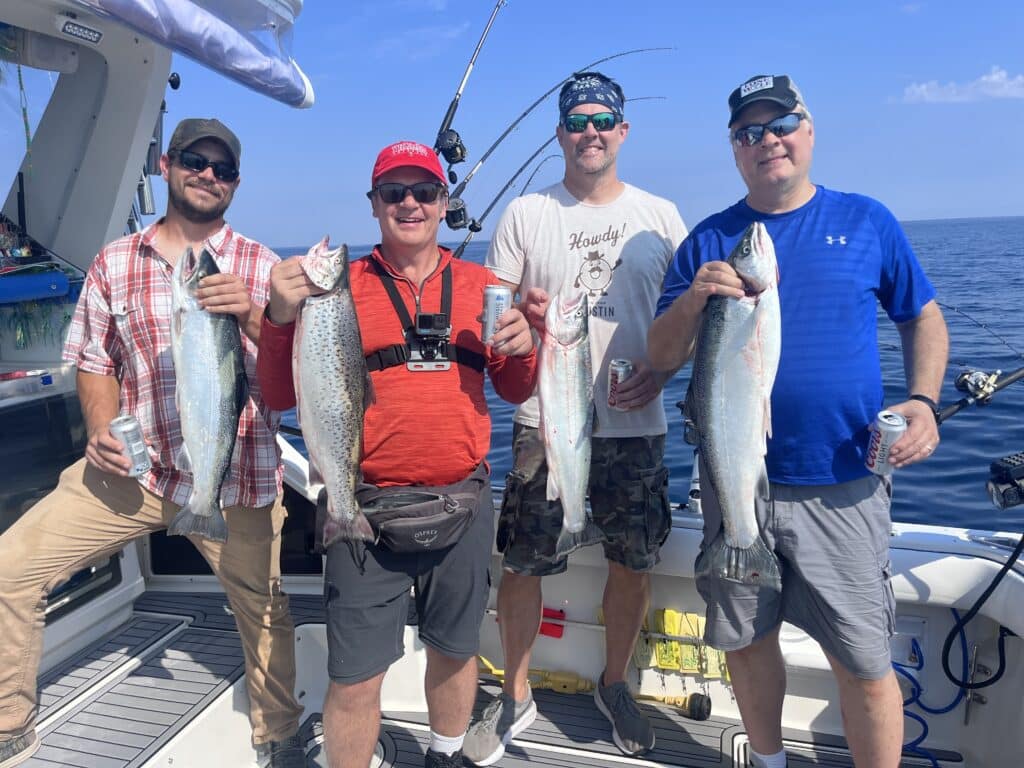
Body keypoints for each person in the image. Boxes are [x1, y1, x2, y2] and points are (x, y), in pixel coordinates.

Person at [647, 74, 950, 768]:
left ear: (808, 132)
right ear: (734, 150)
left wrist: (925, 400)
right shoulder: (708, 241)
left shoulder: (866, 220)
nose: (767, 142)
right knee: (747, 641)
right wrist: (694, 299)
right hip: (732, 479)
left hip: (842, 482)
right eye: (749, 133)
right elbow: (659, 356)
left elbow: (922, 316)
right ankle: (769, 758)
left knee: (865, 659)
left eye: (780, 125)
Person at [0, 118, 306, 768]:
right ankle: (9, 723)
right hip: (135, 468)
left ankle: (278, 732)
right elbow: (92, 358)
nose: (208, 175)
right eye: (196, 160)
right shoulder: (116, 262)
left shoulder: (262, 266)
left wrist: (253, 314)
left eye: (223, 169)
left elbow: (295, 385)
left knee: (265, 612)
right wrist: (103, 425)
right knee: (10, 568)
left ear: (236, 184)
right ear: (167, 166)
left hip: (234, 479)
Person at [255, 140, 537, 768]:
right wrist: (276, 316)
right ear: (374, 205)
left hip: (462, 501)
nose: (409, 203)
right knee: (354, 674)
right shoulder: (338, 288)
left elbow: (517, 388)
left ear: (444, 204)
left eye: (425, 192)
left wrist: (525, 345)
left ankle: (444, 755)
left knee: (455, 650)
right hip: (363, 503)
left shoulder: (481, 285)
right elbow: (277, 393)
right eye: (394, 192)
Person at [462, 71, 688, 765]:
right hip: (543, 422)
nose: (590, 130)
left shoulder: (662, 216)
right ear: (560, 133)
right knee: (524, 563)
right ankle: (517, 692)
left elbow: (688, 322)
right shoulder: (528, 214)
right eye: (577, 119)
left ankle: (614, 683)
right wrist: (514, 327)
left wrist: (667, 369)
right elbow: (488, 313)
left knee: (632, 560)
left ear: (622, 131)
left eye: (603, 119)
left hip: (637, 425)